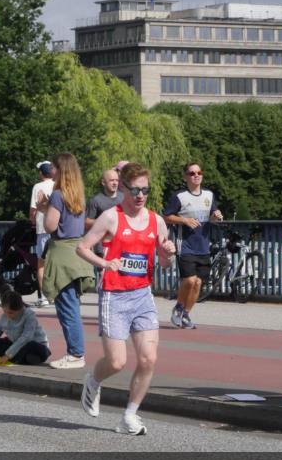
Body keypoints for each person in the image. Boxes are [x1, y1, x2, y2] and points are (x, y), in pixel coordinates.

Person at [77, 162, 177, 435]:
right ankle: (93, 380)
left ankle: (129, 416)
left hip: (143, 295)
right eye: (135, 190)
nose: (140, 195)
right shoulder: (111, 217)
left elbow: (165, 264)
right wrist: (104, 263)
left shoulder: (156, 220)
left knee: (148, 359)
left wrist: (169, 252)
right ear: (122, 188)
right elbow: (82, 247)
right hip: (114, 296)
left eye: (145, 190)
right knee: (117, 362)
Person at [41, 153, 94, 369]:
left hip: (62, 254)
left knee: (67, 307)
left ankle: (75, 354)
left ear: (60, 170)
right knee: (72, 304)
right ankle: (75, 352)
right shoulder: (78, 195)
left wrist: (45, 209)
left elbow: (51, 227)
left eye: (54, 167)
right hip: (77, 252)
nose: (51, 170)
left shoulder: (57, 195)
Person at [164, 161, 223, 329]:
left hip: (204, 246)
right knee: (189, 280)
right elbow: (167, 216)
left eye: (199, 172)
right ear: (185, 177)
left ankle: (186, 314)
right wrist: (184, 220)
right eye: (192, 173)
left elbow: (211, 217)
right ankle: (179, 307)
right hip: (186, 246)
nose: (196, 175)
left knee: (198, 283)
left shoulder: (209, 196)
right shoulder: (179, 197)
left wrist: (216, 216)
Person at [0, 289, 51, 366]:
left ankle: (21, 358)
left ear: (20, 309)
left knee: (28, 347)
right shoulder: (4, 317)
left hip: (34, 344)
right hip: (14, 344)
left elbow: (26, 338)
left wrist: (7, 355)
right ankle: (18, 358)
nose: (8, 315)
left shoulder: (29, 315)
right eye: (5, 311)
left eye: (11, 313)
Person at [29, 161, 55, 307]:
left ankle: (44, 297)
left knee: (41, 264)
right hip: (57, 229)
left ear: (41, 173)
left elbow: (33, 209)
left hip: (42, 229)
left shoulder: (37, 187)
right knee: (56, 263)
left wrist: (32, 220)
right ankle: (56, 295)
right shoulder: (57, 185)